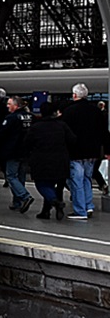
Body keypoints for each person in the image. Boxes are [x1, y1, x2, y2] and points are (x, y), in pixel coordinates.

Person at [59, 83, 104, 219]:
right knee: (87, 179)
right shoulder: (96, 111)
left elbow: (65, 132)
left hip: (76, 152)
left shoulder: (69, 111)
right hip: (92, 151)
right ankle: (89, 205)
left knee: (76, 181)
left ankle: (80, 210)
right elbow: (103, 131)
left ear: (74, 95)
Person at [25, 102, 74, 220]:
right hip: (61, 160)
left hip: (41, 160)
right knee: (58, 186)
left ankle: (55, 202)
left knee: (42, 184)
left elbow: (27, 143)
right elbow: (72, 140)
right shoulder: (62, 125)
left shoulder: (36, 127)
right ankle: (47, 211)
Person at [0, 95, 33, 213]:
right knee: (21, 176)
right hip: (26, 151)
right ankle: (17, 202)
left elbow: (2, 133)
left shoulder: (11, 118)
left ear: (15, 106)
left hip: (13, 151)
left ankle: (25, 196)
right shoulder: (30, 117)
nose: (7, 106)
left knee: (11, 176)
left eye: (9, 104)